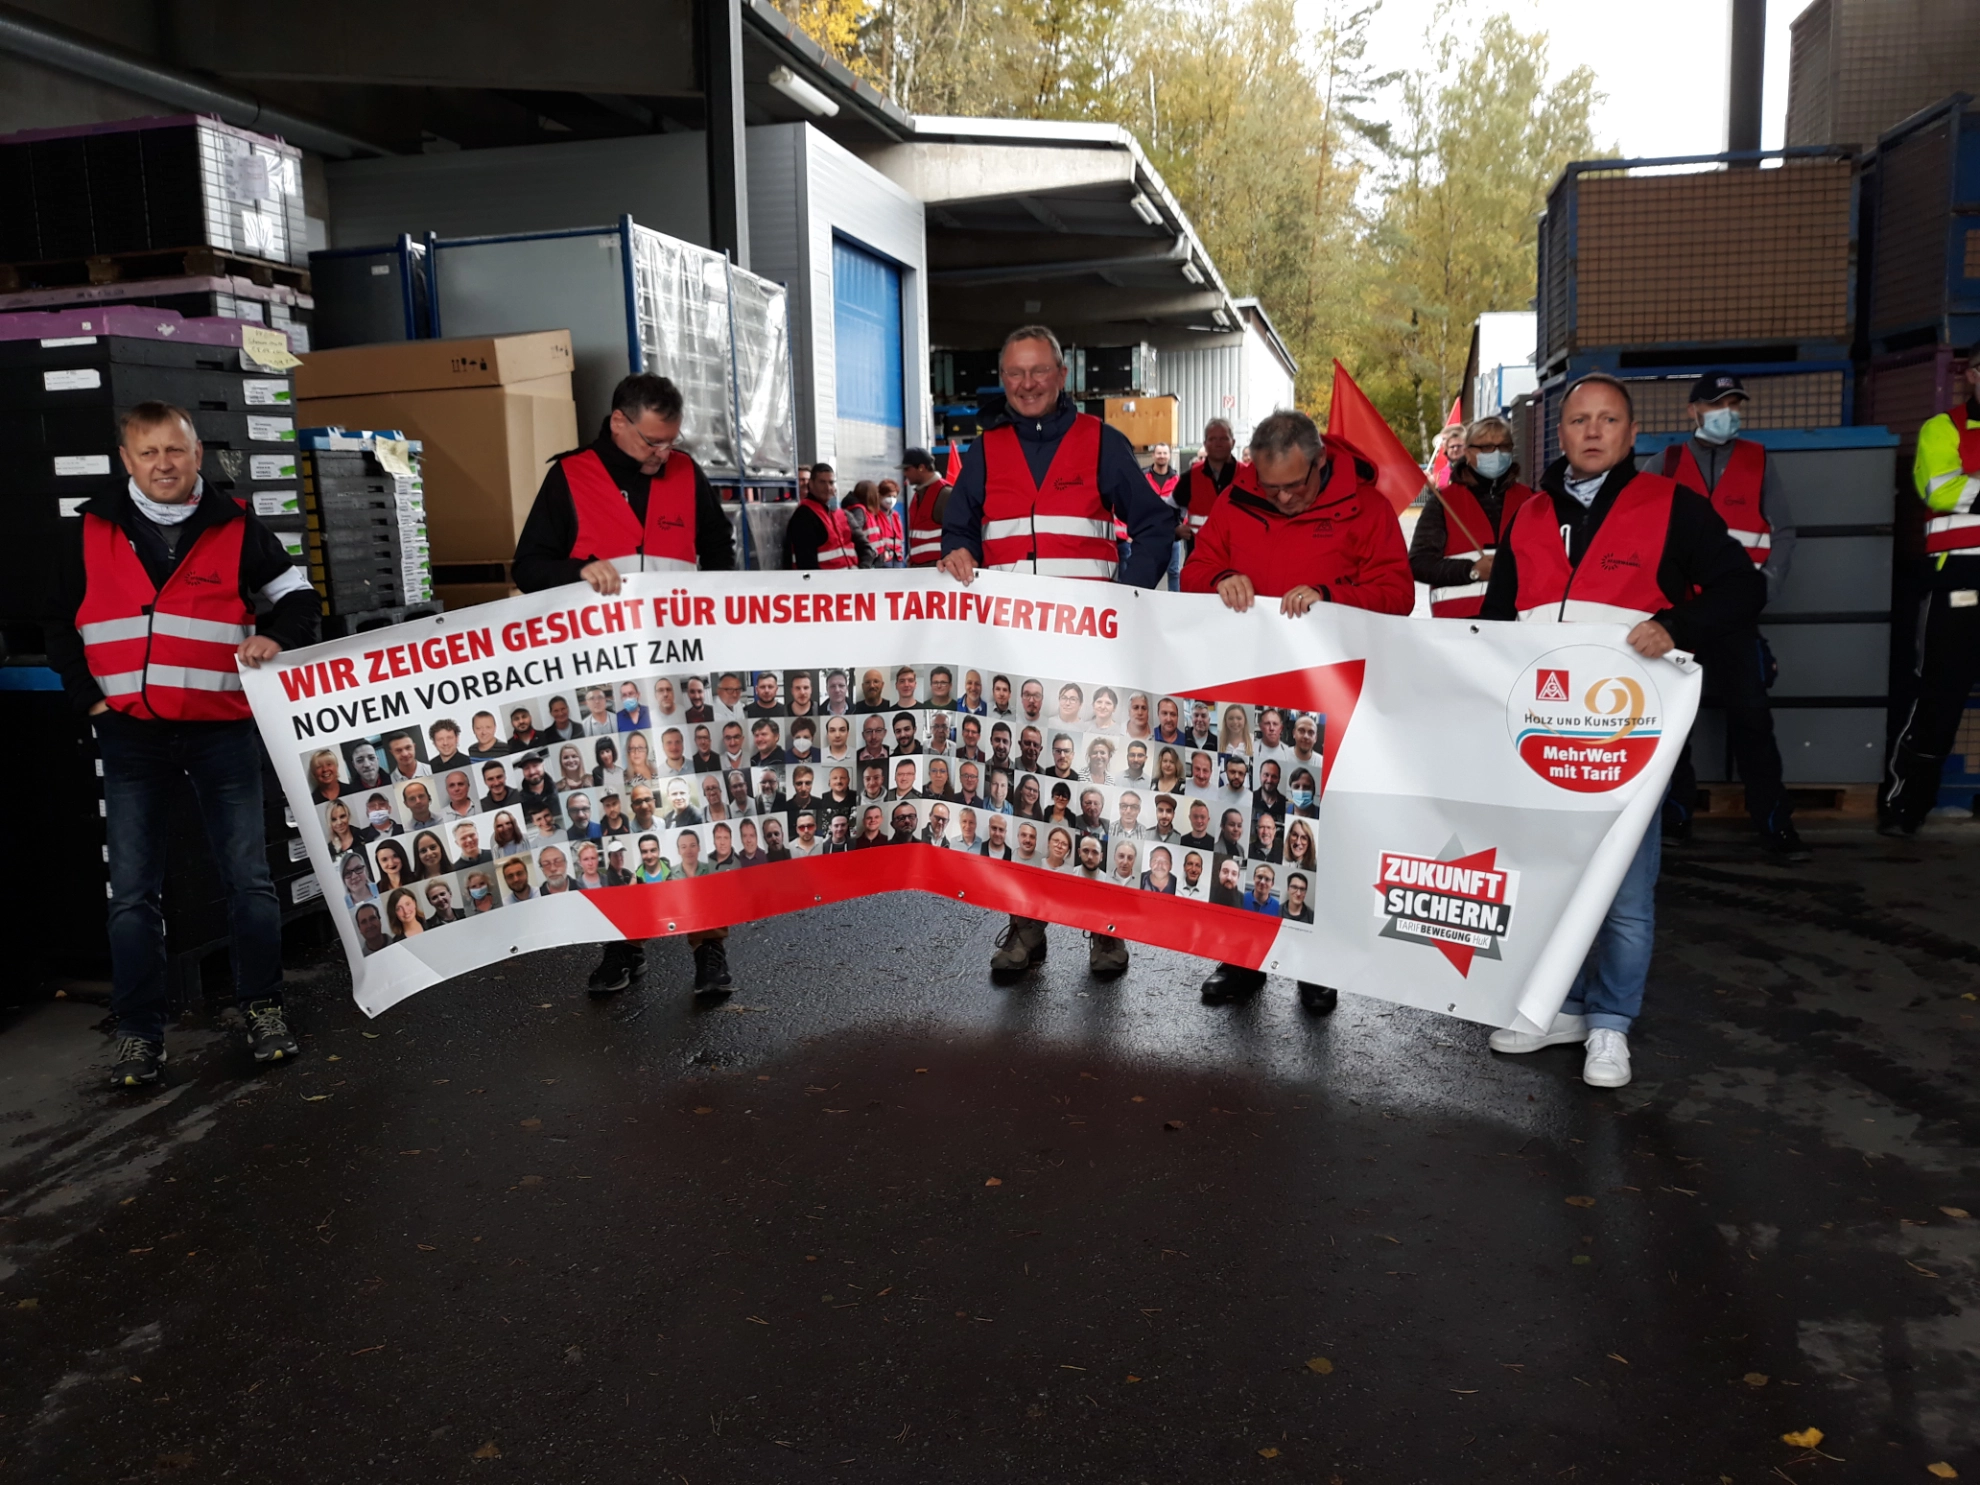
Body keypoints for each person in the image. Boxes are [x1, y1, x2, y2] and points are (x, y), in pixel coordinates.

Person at [1478, 373, 1764, 1089]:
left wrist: (1678, 626)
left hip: (1629, 734)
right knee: (1550, 878)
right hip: (1542, 733)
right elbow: (1497, 616)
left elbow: (1743, 586)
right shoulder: (1530, 514)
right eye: (1579, 420)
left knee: (1627, 890)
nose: (1594, 431)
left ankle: (1611, 1025)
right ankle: (1559, 1009)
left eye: (1609, 420)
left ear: (1632, 435)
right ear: (1561, 433)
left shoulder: (1673, 507)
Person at [45, 401, 314, 1084]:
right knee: (133, 894)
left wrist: (276, 634)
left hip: (220, 731)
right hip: (132, 735)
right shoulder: (89, 530)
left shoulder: (238, 525)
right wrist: (91, 700)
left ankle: (263, 1009)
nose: (163, 464)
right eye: (148, 452)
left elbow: (299, 596)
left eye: (175, 450)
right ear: (126, 460)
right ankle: (140, 1033)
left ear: (198, 455)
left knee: (249, 883)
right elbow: (57, 624)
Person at [939, 324, 1174, 983]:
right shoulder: (982, 453)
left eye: (1039, 370)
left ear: (1062, 373)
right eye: (1015, 373)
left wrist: (1126, 594)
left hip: (1090, 656)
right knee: (1020, 795)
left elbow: (1157, 524)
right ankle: (1025, 929)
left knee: (1096, 789)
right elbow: (959, 527)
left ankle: (1106, 933)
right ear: (1003, 378)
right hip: (1012, 661)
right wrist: (955, 548)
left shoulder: (1103, 444)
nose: (1028, 383)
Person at [512, 371, 738, 995]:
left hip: (676, 682)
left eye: (671, 441)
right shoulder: (570, 477)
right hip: (600, 689)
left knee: (693, 810)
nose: (663, 454)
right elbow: (526, 567)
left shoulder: (688, 476)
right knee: (614, 821)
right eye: (651, 442)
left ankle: (709, 952)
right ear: (618, 422)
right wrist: (576, 571)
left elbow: (721, 563)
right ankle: (621, 945)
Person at [1183, 407, 1414, 1015]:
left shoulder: (1367, 509)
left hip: (1330, 701)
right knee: (1246, 828)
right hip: (1250, 698)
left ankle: (1318, 966)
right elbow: (1193, 574)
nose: (1282, 497)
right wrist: (1222, 578)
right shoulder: (1237, 504)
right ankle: (1243, 957)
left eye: (1294, 485)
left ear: (1319, 463)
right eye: (1271, 486)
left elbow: (1398, 593)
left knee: (1317, 834)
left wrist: (1333, 599)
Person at [1649, 374, 1805, 859]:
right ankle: (1675, 816)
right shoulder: (1665, 464)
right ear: (1692, 411)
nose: (1729, 412)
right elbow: (1640, 533)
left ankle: (1776, 824)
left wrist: (1763, 589)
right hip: (1681, 619)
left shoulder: (1760, 461)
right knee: (1673, 726)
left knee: (1753, 722)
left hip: (1736, 615)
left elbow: (1783, 532)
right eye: (1718, 403)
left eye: (1736, 403)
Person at [1885, 349, 1980, 833]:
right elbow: (1941, 490)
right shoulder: (1942, 428)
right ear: (1971, 374)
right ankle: (1907, 808)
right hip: (1957, 583)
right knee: (1937, 699)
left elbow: (1963, 490)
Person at [1410, 415, 1542, 620]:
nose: (1496, 453)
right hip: (1460, 626)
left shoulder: (1531, 500)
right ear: (1469, 452)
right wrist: (1471, 570)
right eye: (1487, 447)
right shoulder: (1443, 502)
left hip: (1521, 622)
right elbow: (1420, 563)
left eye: (1503, 447)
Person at [1176, 418, 1239, 550]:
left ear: (1233, 442)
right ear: (1205, 444)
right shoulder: (1190, 477)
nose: (1218, 444)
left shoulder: (1248, 476)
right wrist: (1175, 528)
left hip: (1238, 556)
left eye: (1223, 438)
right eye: (1212, 439)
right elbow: (1168, 510)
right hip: (1200, 555)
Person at [785, 463, 860, 570]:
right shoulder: (804, 515)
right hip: (826, 584)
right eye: (822, 482)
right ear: (811, 484)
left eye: (831, 482)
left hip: (847, 580)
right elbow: (806, 562)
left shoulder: (835, 512)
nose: (828, 487)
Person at [1141, 442, 1184, 589]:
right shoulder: (1143, 477)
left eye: (1165, 453)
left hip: (1171, 534)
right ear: (1153, 455)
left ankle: (1174, 605)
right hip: (1149, 534)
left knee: (1173, 572)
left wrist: (1181, 527)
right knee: (1148, 572)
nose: (1162, 456)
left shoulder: (1177, 480)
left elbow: (1183, 506)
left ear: (1169, 456)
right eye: (1159, 453)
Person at [903, 447, 950, 566]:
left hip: (939, 572)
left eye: (907, 469)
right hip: (921, 571)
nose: (905, 474)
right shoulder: (917, 496)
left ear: (921, 468)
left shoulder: (945, 494)